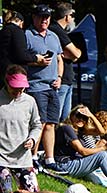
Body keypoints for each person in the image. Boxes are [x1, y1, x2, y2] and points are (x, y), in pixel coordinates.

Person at [0, 67, 43, 193]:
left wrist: (33, 140)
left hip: (23, 159)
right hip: (1, 160)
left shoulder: (29, 101)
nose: (19, 92)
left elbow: (37, 124)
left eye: (22, 88)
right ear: (7, 83)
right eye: (15, 88)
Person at [23, 5, 62, 166]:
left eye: (47, 17)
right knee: (40, 122)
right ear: (34, 17)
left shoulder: (54, 36)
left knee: (51, 123)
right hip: (35, 86)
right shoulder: (27, 35)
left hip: (53, 86)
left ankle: (49, 158)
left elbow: (60, 59)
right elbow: (21, 58)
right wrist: (36, 61)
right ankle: (32, 157)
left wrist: (59, 77)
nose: (44, 20)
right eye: (41, 17)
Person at [48, 2, 80, 124]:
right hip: (61, 80)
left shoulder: (57, 30)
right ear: (67, 16)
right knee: (56, 117)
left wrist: (72, 54)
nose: (73, 19)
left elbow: (75, 55)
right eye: (72, 16)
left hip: (67, 79)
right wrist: (73, 54)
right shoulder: (57, 30)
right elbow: (76, 54)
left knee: (66, 119)